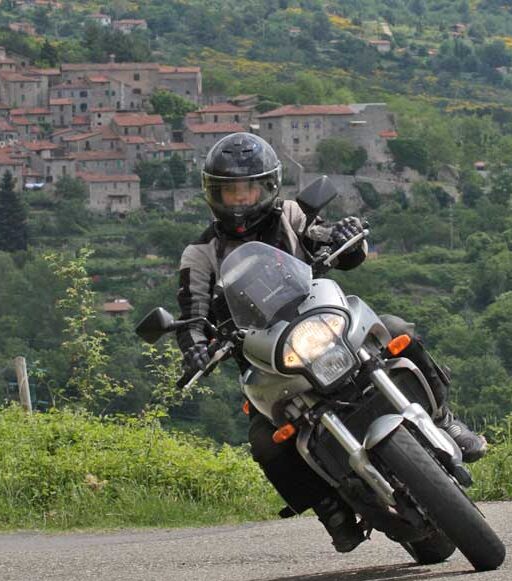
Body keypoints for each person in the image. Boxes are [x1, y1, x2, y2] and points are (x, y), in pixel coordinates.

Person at [175, 132, 487, 553]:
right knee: (265, 442)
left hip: (320, 322)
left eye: (248, 189)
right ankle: (331, 509)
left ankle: (445, 419)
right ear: (214, 194)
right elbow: (191, 313)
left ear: (268, 186)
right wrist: (195, 345)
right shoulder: (200, 254)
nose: (240, 200)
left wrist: (344, 234)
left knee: (397, 330)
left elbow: (329, 242)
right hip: (265, 359)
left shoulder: (290, 215)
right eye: (230, 192)